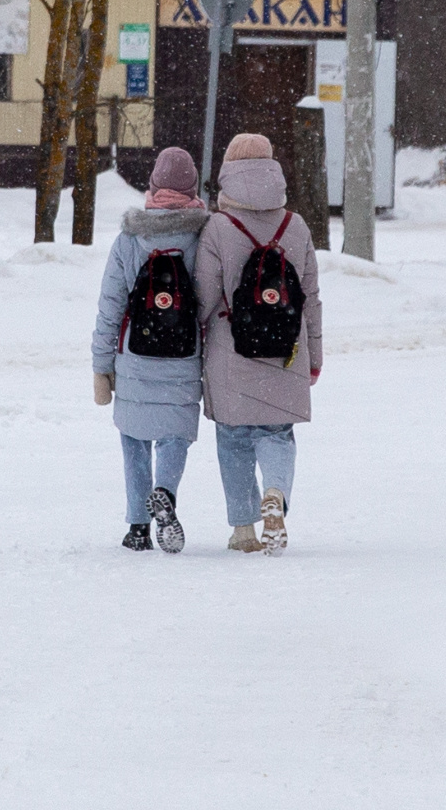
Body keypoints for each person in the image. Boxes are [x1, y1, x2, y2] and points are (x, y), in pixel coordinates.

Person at [195, 132, 323, 554]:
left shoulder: (218, 227)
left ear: (227, 173)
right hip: (287, 351)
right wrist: (314, 358)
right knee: (277, 433)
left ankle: (243, 530)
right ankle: (275, 494)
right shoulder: (297, 226)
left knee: (233, 439)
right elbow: (310, 298)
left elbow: (205, 298)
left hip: (232, 351)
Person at [89, 145, 210, 552]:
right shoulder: (203, 236)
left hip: (134, 355)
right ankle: (166, 494)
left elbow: (110, 306)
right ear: (192, 187)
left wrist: (101, 367)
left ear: (154, 185)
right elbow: (210, 302)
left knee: (134, 440)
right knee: (175, 435)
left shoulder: (129, 238)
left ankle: (138, 527)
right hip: (183, 354)